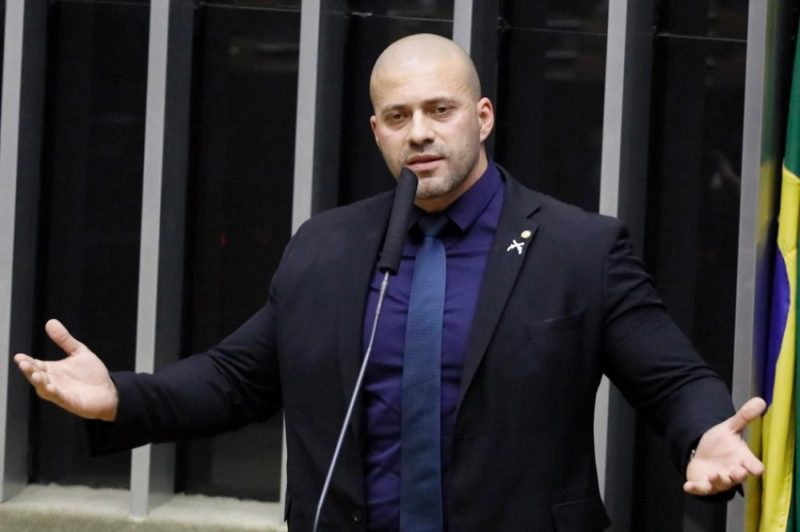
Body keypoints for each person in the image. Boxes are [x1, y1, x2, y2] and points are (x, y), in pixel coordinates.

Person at [15, 34, 765, 531]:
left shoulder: (578, 247)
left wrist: (706, 433)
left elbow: (672, 380)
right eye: (398, 116)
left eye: (440, 110)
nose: (420, 132)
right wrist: (120, 397)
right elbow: (236, 378)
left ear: (483, 116)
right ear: (376, 131)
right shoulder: (328, 246)